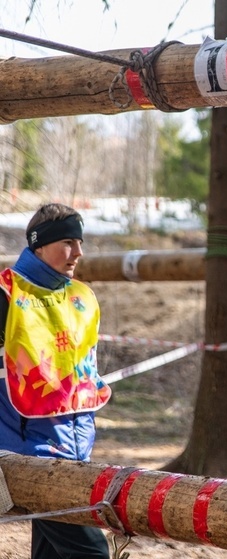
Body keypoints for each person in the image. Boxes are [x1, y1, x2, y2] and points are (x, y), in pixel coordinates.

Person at [0, 203, 111, 559]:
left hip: (76, 453)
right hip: (31, 459)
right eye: (67, 242)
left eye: (80, 242)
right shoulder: (6, 296)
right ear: (38, 245)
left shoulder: (81, 298)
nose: (78, 252)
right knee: (92, 554)